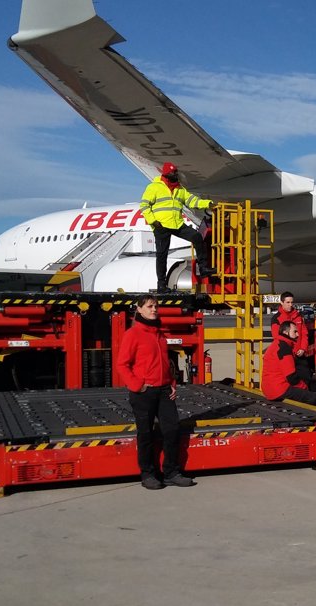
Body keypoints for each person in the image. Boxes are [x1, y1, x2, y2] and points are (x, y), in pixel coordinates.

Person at [115, 294, 194, 490]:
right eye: (149, 306)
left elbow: (166, 364)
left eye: (155, 307)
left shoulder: (159, 335)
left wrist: (172, 383)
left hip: (164, 390)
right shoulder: (132, 334)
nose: (154, 310)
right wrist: (137, 386)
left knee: (172, 430)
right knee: (146, 434)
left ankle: (171, 472)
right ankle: (148, 474)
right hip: (144, 392)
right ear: (139, 309)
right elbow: (122, 365)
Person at [139, 161, 215, 291]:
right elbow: (144, 206)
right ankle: (161, 284)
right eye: (174, 172)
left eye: (176, 172)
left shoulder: (180, 189)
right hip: (161, 225)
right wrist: (153, 221)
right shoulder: (154, 187)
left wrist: (208, 203)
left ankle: (203, 268)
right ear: (167, 174)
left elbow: (192, 201)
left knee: (197, 237)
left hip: (177, 224)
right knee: (162, 255)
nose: (176, 174)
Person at [262, 321, 316, 406]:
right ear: (285, 332)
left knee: (303, 394)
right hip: (279, 389)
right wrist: (305, 388)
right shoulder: (284, 348)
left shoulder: (276, 344)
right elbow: (291, 377)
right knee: (315, 399)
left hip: (269, 388)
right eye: (295, 332)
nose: (297, 335)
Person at [271, 291, 313, 387]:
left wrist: (303, 348)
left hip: (299, 353)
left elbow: (304, 333)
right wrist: (288, 350)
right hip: (287, 354)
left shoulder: (298, 316)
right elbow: (277, 337)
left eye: (291, 302)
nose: (290, 305)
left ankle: (306, 396)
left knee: (306, 376)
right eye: (288, 302)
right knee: (289, 379)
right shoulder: (276, 318)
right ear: (282, 303)